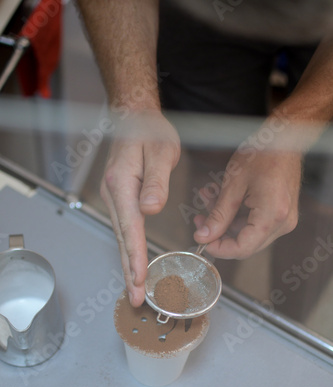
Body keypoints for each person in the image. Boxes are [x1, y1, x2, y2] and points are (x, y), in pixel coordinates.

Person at [76, 0, 333, 307]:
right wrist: (132, 106)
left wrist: (294, 128)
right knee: (214, 162)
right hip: (205, 14)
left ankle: (290, 321)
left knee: (324, 192)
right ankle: (202, 301)